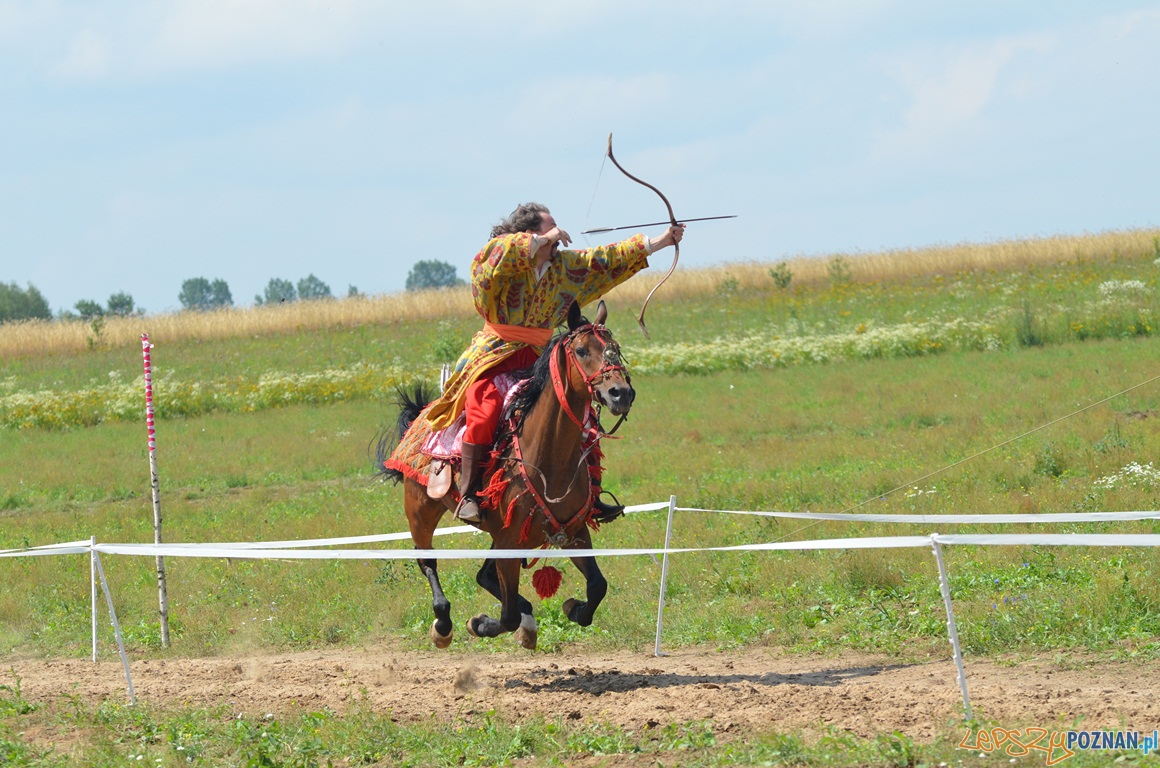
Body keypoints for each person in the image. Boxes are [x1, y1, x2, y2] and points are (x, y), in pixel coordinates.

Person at [424, 202, 684, 523]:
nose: (559, 237)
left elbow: (605, 259)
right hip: (494, 356)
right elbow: (489, 261)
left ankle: (590, 492)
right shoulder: (501, 259)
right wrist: (540, 241)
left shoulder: (562, 267)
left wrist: (662, 241)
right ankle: (468, 492)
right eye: (551, 230)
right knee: (485, 408)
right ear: (530, 235)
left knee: (580, 409)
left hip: (538, 359)